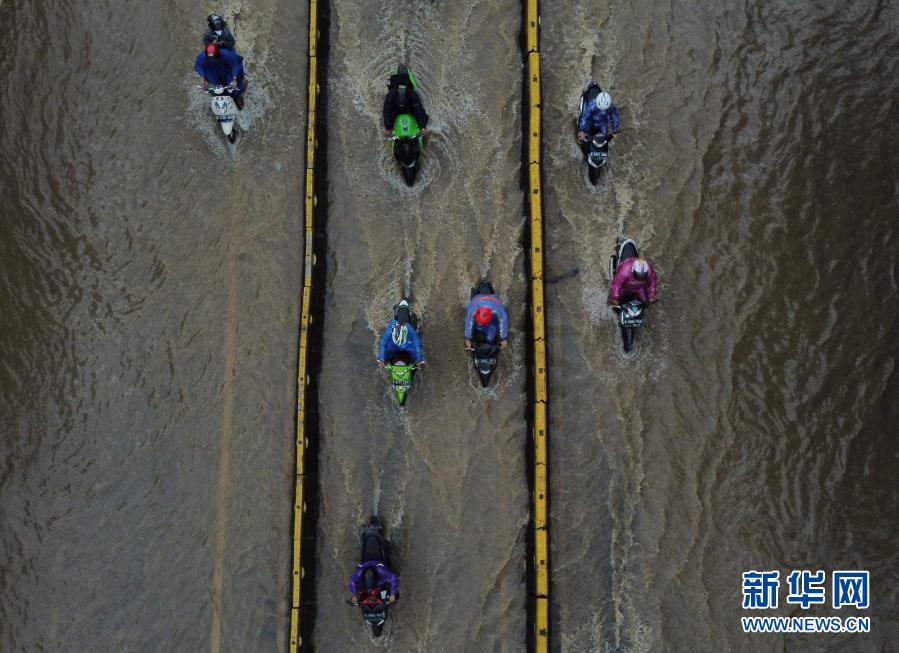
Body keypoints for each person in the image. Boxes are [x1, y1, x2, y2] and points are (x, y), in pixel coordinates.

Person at [195, 42, 247, 110]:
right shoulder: (202, 56)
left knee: (234, 87)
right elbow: (199, 66)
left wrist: (234, 78)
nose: (212, 60)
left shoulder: (226, 54)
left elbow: (236, 64)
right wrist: (202, 79)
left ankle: (238, 97)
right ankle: (222, 98)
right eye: (210, 58)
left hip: (228, 71)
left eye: (214, 58)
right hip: (215, 72)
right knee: (218, 87)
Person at [383, 65, 430, 138]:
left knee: (423, 116)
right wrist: (388, 128)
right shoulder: (391, 95)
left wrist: (423, 127)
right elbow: (387, 111)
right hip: (398, 109)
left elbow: (418, 109)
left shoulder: (412, 94)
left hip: (408, 109)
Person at [465, 280, 509, 350]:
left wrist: (503, 338)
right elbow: (468, 322)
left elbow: (504, 320)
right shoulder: (472, 308)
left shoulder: (497, 309)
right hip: (478, 299)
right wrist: (468, 338)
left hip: (493, 301)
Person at [378, 301, 424, 366]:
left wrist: (418, 359)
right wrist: (382, 359)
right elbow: (383, 342)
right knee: (387, 357)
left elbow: (416, 343)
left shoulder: (410, 330)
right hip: (393, 347)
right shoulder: (391, 329)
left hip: (407, 347)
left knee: (414, 359)